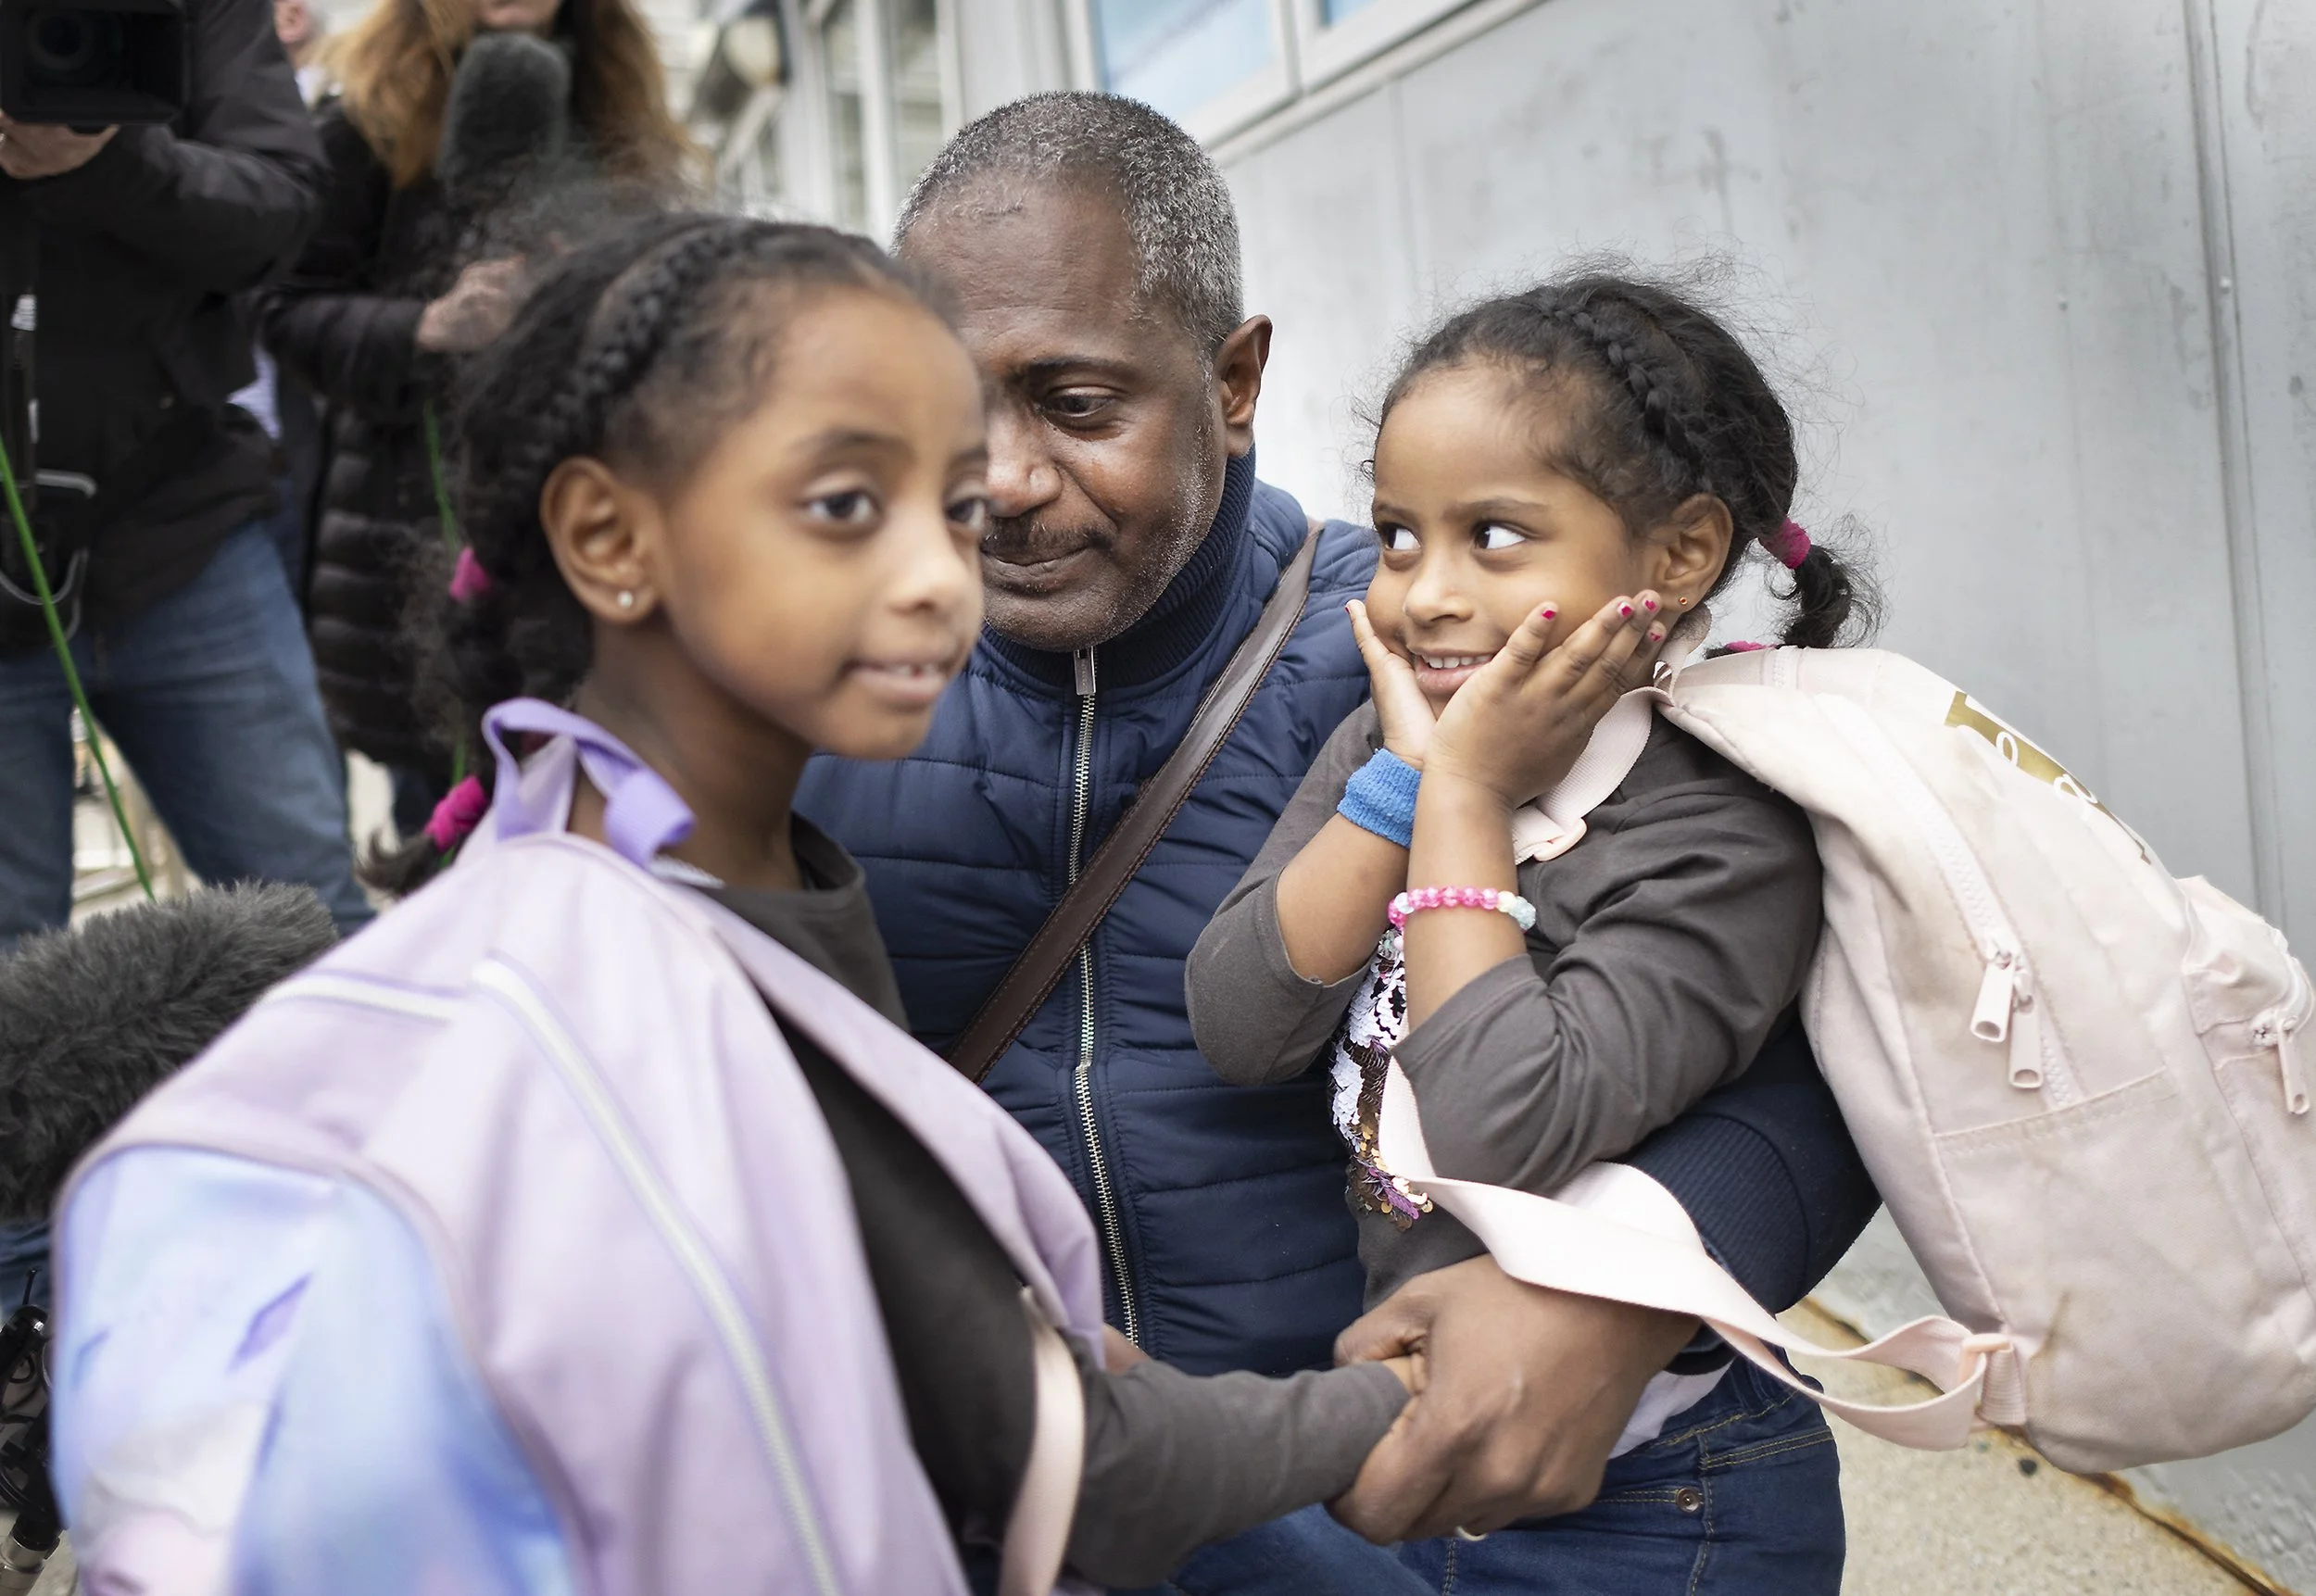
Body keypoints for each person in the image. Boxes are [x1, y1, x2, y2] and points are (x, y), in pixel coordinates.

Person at [53, 213, 1429, 1595]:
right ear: (607, 536)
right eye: (843, 506)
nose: (936, 574)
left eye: (949, 507)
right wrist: (1386, 1400)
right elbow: (1063, 1456)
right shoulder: (648, 972)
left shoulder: (668, 871)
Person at [797, 90, 1880, 1582]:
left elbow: (1838, 1037)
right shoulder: (810, 704)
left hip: (1478, 1495)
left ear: (1235, 379)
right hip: (1074, 1518)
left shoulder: (1468, 658)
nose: (1004, 481)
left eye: (1077, 402)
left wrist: (1617, 1293)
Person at [1189, 276, 1867, 1591]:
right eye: (1396, 536)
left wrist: (1465, 796)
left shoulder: (1719, 818)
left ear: (1676, 556)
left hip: (1663, 1497)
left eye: (1494, 535)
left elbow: (1505, 1128)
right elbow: (1240, 1018)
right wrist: (1402, 788)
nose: (1425, 594)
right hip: (1426, 1452)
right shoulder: (1390, 753)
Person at [0, 0, 370, 1309]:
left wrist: (97, 162)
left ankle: (391, 1236)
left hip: (180, 533)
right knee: (7, 982)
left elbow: (277, 204)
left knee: (312, 908)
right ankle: (28, 1338)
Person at [258, 0, 689, 839]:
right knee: (447, 830)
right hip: (410, 536)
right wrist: (428, 327)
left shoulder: (615, 112)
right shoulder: (366, 115)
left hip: (587, 539)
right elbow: (282, 311)